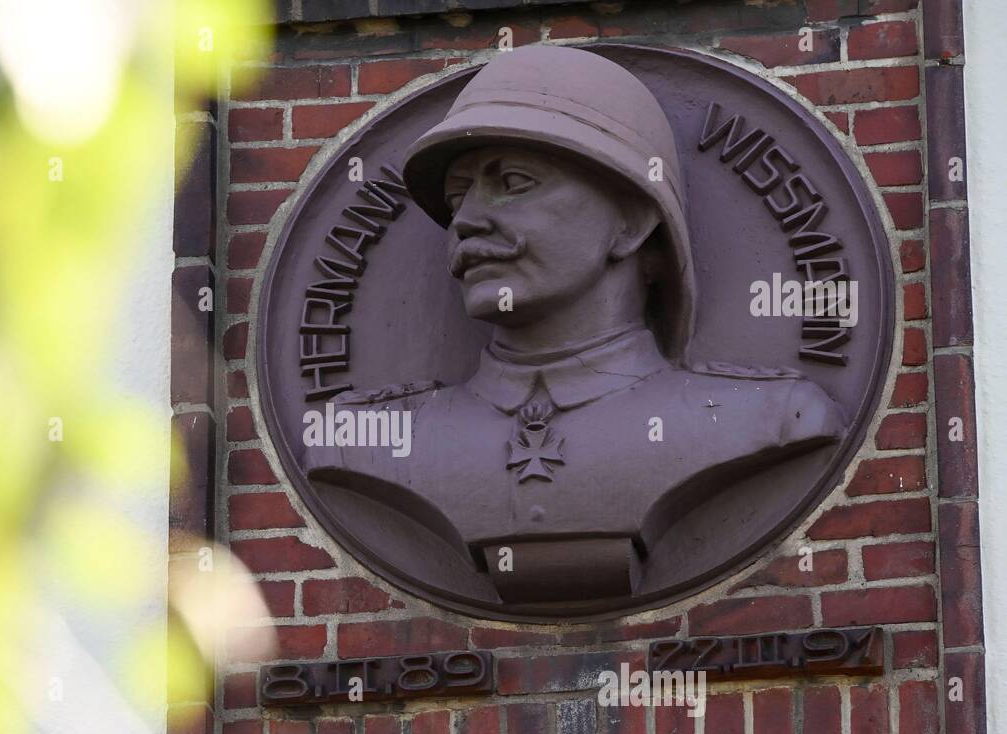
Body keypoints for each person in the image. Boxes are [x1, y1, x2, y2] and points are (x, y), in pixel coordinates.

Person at [304, 46, 844, 605]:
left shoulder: (775, 419)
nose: (465, 221)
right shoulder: (359, 444)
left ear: (631, 222)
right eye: (457, 196)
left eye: (514, 182)